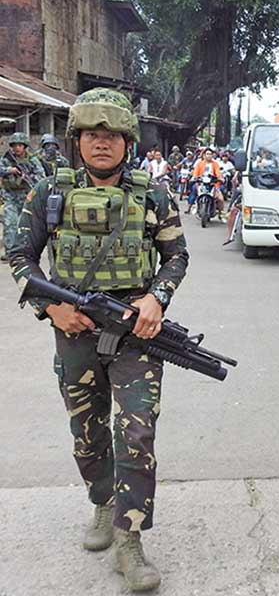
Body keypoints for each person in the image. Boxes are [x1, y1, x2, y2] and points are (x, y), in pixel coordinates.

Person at [8, 88, 189, 592]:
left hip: (135, 331)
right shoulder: (48, 192)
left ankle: (129, 541)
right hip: (76, 333)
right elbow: (21, 256)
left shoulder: (152, 193)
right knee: (87, 435)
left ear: (126, 142)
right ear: (78, 140)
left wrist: (157, 299)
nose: (102, 144)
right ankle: (103, 504)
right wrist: (53, 306)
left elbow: (177, 255)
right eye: (93, 135)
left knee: (136, 432)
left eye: (111, 135)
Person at [0, 132, 45, 262]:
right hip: (11, 196)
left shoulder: (32, 160)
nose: (17, 148)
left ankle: (27, 251)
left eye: (19, 145)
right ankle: (10, 253)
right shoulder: (6, 160)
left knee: (28, 225)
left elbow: (41, 176)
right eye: (14, 145)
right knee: (10, 223)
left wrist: (27, 177)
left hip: (27, 196)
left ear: (25, 146)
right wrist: (10, 170)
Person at [190, 147, 225, 217]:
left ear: (213, 155)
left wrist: (220, 178)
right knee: (193, 191)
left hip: (213, 184)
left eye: (210, 154)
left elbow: (218, 173)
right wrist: (193, 178)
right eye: (207, 154)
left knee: (220, 199)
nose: (209, 155)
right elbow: (195, 173)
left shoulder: (215, 164)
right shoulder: (199, 164)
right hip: (201, 184)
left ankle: (221, 213)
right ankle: (192, 206)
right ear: (204, 155)